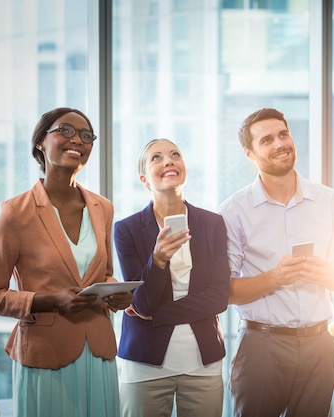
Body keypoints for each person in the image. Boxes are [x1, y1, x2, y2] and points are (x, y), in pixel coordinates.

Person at [0, 107, 132, 416]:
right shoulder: (15, 211)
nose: (77, 140)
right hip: (46, 353)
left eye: (86, 136)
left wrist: (116, 294)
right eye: (66, 131)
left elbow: (104, 274)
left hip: (98, 352)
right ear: (41, 142)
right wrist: (50, 300)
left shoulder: (103, 208)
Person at [219, 108, 334, 417]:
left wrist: (327, 275)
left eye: (283, 134)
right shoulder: (234, 211)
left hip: (319, 344)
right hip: (261, 346)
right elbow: (223, 291)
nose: (280, 143)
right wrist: (275, 278)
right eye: (267, 140)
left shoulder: (330, 201)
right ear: (250, 153)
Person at [114, 138, 230, 417]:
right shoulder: (126, 229)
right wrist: (158, 260)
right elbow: (141, 303)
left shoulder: (213, 223)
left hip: (203, 363)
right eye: (156, 157)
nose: (168, 160)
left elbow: (219, 297)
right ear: (144, 178)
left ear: (184, 168)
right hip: (144, 366)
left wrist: (159, 316)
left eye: (175, 154)